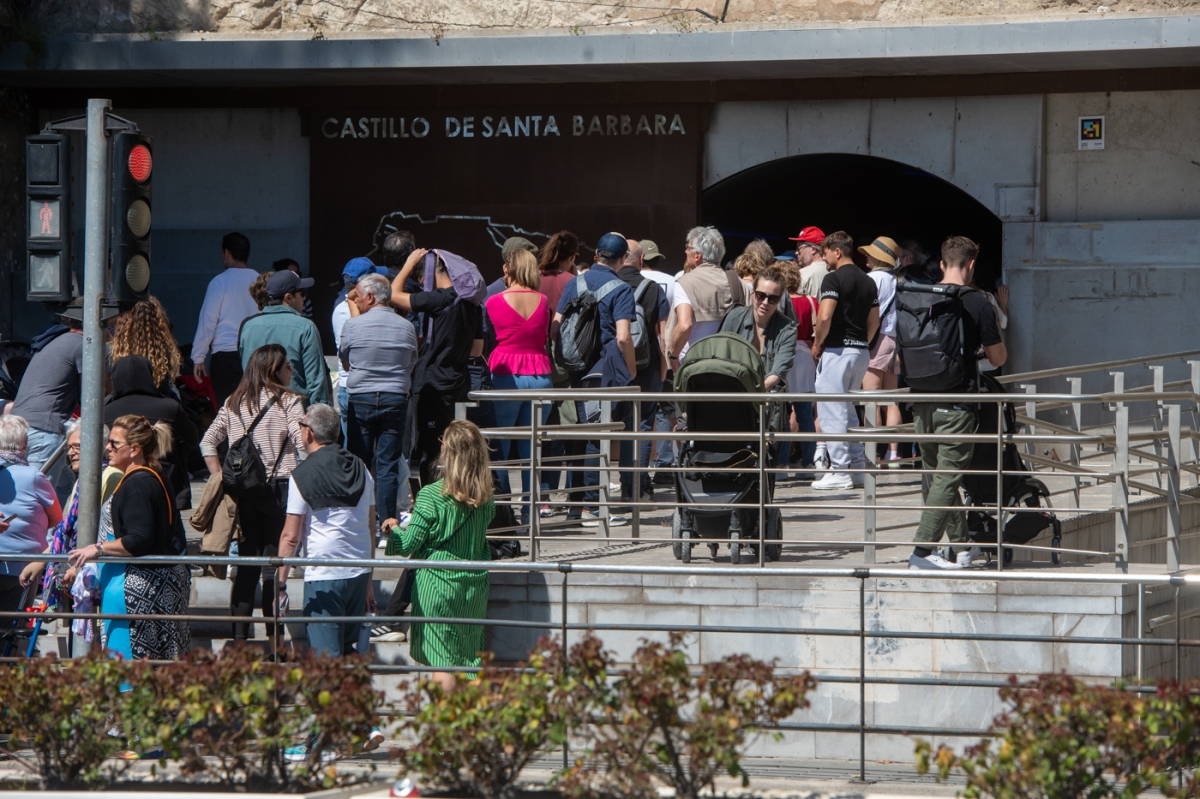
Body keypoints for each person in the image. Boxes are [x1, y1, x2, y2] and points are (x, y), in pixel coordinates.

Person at [909, 236, 1007, 571]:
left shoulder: (920, 296)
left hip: (920, 399)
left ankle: (963, 547)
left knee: (939, 477)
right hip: (956, 403)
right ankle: (921, 553)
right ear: (971, 265)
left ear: (941, 264)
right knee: (948, 478)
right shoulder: (977, 302)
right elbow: (997, 358)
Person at [201, 344, 307, 643]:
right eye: (288, 366)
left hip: (243, 492)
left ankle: (239, 644)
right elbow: (301, 442)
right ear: (275, 369)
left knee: (246, 568)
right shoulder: (289, 400)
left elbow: (208, 442)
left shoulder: (234, 401)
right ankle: (275, 644)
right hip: (279, 488)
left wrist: (220, 478)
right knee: (273, 566)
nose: (292, 371)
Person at [382, 420, 494, 694]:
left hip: (437, 584)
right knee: (469, 658)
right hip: (474, 584)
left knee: (441, 661)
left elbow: (408, 543)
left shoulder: (432, 494)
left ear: (450, 452)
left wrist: (393, 526)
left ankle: (447, 730)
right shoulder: (486, 496)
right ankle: (475, 722)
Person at [68, 415, 190, 660]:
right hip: (154, 587)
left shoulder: (138, 484)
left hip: (137, 592)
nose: (108, 448)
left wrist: (98, 548)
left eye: (114, 444)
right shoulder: (154, 476)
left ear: (135, 450)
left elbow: (139, 539)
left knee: (134, 679)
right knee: (157, 674)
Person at [551, 233, 637, 526]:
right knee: (595, 438)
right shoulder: (621, 289)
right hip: (602, 372)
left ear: (597, 253)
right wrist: (631, 370)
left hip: (576, 370)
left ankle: (577, 506)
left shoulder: (575, 283)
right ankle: (591, 508)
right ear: (622, 259)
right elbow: (624, 336)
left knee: (579, 436)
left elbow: (555, 329)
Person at [276, 404, 376, 656]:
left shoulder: (301, 475)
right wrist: (369, 582)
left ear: (309, 433)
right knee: (347, 652)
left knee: (326, 660)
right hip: (359, 572)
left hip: (325, 575)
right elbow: (370, 524)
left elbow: (291, 537)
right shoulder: (362, 469)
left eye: (301, 425)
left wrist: (280, 585)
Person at [387, 248, 485, 487]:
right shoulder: (472, 304)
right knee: (455, 448)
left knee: (430, 451)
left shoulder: (441, 298)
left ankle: (431, 507)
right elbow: (476, 350)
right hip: (458, 384)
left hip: (432, 384)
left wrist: (409, 264)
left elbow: (392, 294)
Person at [20, 420, 121, 633]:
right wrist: (42, 562)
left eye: (77, 446)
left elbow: (105, 531)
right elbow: (66, 530)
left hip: (96, 576)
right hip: (79, 575)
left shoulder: (111, 477)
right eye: (69, 447)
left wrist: (77, 566)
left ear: (96, 446)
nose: (71, 453)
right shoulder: (83, 480)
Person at [340, 273, 418, 523]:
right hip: (395, 399)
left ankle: (359, 520)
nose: (357, 301)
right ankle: (387, 521)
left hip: (361, 398)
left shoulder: (352, 325)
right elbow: (411, 363)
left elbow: (345, 359)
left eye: (359, 296)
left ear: (371, 297)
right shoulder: (407, 327)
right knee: (388, 464)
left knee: (359, 462)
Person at [485, 249, 552, 521]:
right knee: (532, 450)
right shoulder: (543, 300)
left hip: (505, 372)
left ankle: (504, 514)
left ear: (506, 270)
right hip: (540, 373)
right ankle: (530, 513)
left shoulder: (493, 301)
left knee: (500, 447)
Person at [811, 231, 880, 491]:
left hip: (838, 351)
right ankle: (858, 468)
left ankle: (840, 471)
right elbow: (874, 322)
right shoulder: (868, 281)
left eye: (825, 251)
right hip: (860, 351)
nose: (823, 257)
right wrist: (862, 343)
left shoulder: (833, 278)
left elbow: (825, 316)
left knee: (832, 410)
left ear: (837, 251)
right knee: (849, 410)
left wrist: (818, 343)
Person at [105, 355, 200, 527]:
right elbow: (192, 439)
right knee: (171, 538)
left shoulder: (106, 411)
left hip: (121, 485)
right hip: (166, 483)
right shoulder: (169, 407)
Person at [10, 301, 89, 503]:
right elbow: (94, 392)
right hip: (44, 432)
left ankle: (53, 531)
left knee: (64, 484)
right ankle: (43, 534)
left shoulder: (54, 340)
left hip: (18, 427)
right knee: (37, 500)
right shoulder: (80, 345)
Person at [617, 238, 669, 501]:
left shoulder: (609, 285)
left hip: (614, 367)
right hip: (646, 366)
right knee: (643, 423)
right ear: (640, 260)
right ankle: (637, 486)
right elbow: (663, 334)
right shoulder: (652, 288)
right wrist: (664, 366)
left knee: (620, 424)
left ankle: (621, 483)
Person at [238, 269, 333, 408]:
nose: (304, 298)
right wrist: (320, 419)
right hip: (295, 417)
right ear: (288, 297)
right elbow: (316, 382)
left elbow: (245, 374)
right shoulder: (306, 327)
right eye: (302, 293)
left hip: (256, 415)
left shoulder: (247, 327)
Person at [0, 416, 61, 613]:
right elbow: (58, 519)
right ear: (25, 443)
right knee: (10, 635)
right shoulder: (34, 476)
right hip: (23, 567)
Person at [667, 226, 749, 371]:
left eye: (688, 247)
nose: (686, 251)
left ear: (698, 255)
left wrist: (673, 356)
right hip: (732, 364)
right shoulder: (739, 283)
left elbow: (684, 325)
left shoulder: (685, 282)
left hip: (695, 364)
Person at [193, 232, 260, 407]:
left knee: (228, 414)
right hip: (255, 355)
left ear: (227, 253)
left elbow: (208, 321)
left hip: (225, 357)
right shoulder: (259, 281)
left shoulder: (219, 282)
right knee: (254, 411)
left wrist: (198, 356)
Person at [331, 257, 388, 436]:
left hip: (358, 387)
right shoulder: (347, 310)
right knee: (357, 454)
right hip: (353, 389)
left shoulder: (345, 306)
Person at [859, 237, 903, 465]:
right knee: (891, 400)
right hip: (894, 340)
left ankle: (872, 452)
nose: (866, 256)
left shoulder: (871, 279)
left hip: (875, 340)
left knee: (871, 399)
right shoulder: (898, 280)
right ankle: (893, 453)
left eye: (870, 253)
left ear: (878, 257)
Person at [638, 239, 679, 481]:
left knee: (637, 412)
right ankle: (663, 464)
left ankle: (636, 470)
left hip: (633, 352)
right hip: (660, 350)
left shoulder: (625, 279)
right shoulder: (671, 280)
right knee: (663, 409)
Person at [719, 267, 798, 391]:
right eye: (760, 295)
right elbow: (720, 357)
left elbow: (778, 372)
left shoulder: (787, 328)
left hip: (770, 401)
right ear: (752, 293)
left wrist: (753, 396)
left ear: (779, 300)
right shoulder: (734, 317)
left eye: (772, 298)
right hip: (734, 396)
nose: (765, 302)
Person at [110, 297, 182, 395]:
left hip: (127, 403)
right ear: (157, 320)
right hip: (159, 401)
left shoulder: (115, 351)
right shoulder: (164, 350)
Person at [536, 231, 580, 316]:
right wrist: (576, 277)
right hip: (561, 328)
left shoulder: (535, 277)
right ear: (571, 257)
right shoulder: (573, 281)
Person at [791, 226, 828, 298]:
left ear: (813, 249)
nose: (796, 253)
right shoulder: (837, 271)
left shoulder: (801, 275)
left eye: (799, 249)